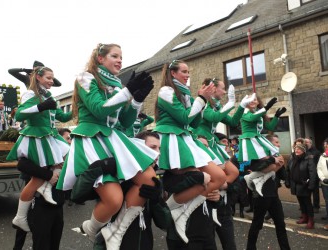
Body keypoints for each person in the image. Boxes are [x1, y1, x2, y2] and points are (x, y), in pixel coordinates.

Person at [57, 43, 158, 249]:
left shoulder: (118, 85)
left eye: (121, 56)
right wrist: (128, 91)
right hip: (92, 139)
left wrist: (137, 100)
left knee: (150, 181)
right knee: (113, 200)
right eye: (115, 56)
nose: (120, 60)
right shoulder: (86, 77)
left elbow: (126, 122)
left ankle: (116, 231)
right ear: (100, 59)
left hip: (113, 138)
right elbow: (99, 109)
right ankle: (92, 227)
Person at [152, 59, 226, 247]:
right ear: (173, 73)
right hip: (172, 138)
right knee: (197, 178)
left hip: (186, 137)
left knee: (218, 177)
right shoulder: (166, 91)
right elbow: (184, 117)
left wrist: (202, 101)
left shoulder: (185, 94)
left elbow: (192, 123)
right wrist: (201, 99)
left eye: (188, 71)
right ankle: (170, 208)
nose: (187, 75)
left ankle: (180, 212)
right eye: (184, 71)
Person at [7, 66, 72, 232]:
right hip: (36, 137)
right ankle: (20, 217)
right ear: (38, 77)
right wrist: (41, 107)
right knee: (36, 178)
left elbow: (63, 117)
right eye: (48, 78)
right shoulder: (31, 94)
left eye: (52, 78)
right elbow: (19, 115)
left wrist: (78, 107)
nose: (51, 81)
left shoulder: (48, 96)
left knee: (66, 157)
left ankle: (45, 186)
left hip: (50, 136)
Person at [244, 133, 291, 250]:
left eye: (279, 143)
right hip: (260, 195)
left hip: (274, 195)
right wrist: (273, 161)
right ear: (268, 143)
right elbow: (256, 168)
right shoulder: (259, 155)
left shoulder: (278, 156)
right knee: (257, 224)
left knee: (280, 224)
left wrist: (282, 166)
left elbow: (283, 175)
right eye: (276, 142)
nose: (279, 145)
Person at [238, 95, 286, 196]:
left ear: (258, 102)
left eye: (255, 99)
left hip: (258, 139)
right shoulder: (245, 111)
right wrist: (267, 107)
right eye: (250, 100)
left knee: (280, 161)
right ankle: (250, 177)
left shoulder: (259, 114)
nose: (252, 101)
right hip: (250, 140)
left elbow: (270, 126)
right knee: (271, 162)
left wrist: (276, 116)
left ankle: (259, 179)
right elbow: (251, 119)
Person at [285, 140, 317, 229]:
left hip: (305, 185)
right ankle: (304, 217)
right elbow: (287, 170)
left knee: (307, 203)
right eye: (296, 148)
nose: (297, 150)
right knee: (301, 202)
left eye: (299, 149)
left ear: (303, 150)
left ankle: (311, 220)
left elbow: (312, 173)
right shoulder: (292, 158)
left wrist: (311, 185)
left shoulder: (308, 158)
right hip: (295, 184)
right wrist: (287, 181)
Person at [305, 138, 321, 213]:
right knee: (305, 191)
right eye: (304, 142)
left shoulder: (316, 152)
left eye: (307, 142)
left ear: (311, 143)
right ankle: (306, 206)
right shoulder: (304, 151)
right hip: (306, 174)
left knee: (315, 191)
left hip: (314, 174)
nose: (305, 143)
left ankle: (316, 206)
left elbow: (319, 163)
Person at [317, 138, 328, 230]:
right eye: (324, 145)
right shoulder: (322, 156)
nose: (325, 147)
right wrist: (323, 179)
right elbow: (319, 168)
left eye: (327, 145)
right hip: (325, 185)